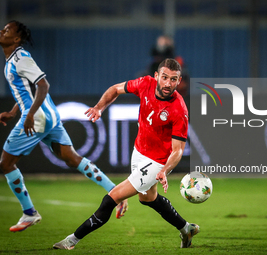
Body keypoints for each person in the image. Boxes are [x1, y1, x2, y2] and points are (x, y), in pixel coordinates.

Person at [53, 58, 199, 250]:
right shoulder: (144, 83)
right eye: (164, 77)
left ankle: (71, 240)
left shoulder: (179, 109)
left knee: (111, 199)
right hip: (138, 151)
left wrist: (164, 170)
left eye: (173, 79)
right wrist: (99, 107)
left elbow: (178, 150)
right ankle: (186, 228)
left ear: (178, 81)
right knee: (147, 199)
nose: (168, 83)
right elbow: (114, 89)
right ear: (156, 76)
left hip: (156, 162)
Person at [0, 20, 128, 232]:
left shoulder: (20, 58)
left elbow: (43, 85)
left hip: (39, 116)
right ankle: (117, 192)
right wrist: (14, 112)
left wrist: (29, 115)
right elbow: (29, 89)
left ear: (16, 39)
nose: (1, 31)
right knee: (72, 159)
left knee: (5, 164)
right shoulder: (14, 59)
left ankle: (29, 213)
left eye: (6, 30)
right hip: (49, 115)